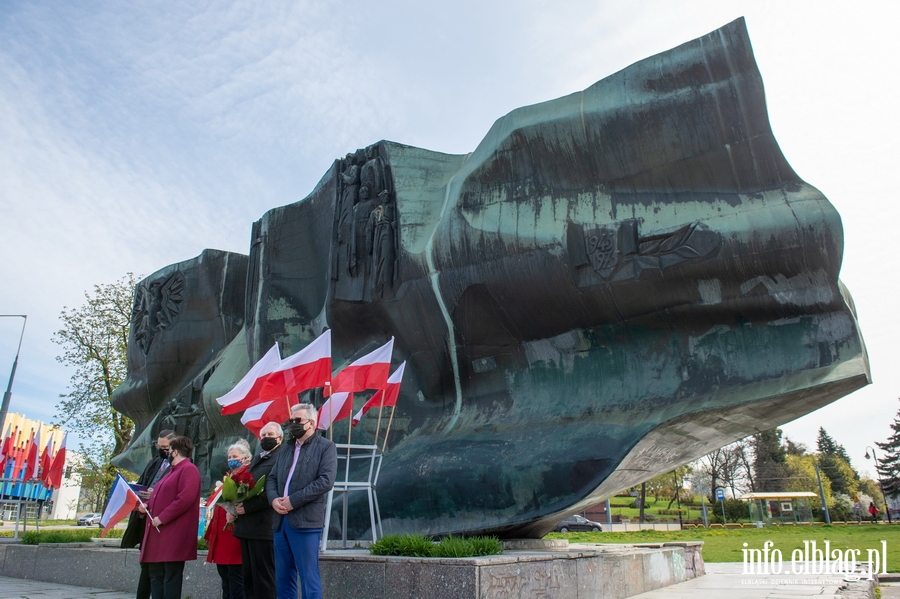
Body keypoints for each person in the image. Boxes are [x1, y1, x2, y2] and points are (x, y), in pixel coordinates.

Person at [265, 404, 336, 599]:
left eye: (298, 421)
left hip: (305, 522)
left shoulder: (326, 447)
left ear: (311, 423)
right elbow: (271, 479)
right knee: (283, 578)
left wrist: (293, 501)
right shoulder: (286, 448)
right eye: (291, 421)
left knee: (308, 577)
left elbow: (325, 481)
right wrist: (273, 500)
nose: (292, 425)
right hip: (281, 522)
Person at [139, 435, 201, 599]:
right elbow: (159, 496)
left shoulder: (188, 469)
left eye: (169, 449)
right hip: (159, 534)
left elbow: (185, 498)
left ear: (175, 452)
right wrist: (145, 507)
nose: (166, 452)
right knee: (156, 575)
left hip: (172, 533)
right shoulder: (171, 471)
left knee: (170, 576)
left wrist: (163, 517)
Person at [233, 422, 284, 599]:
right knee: (249, 579)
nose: (266, 438)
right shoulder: (258, 458)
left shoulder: (281, 459)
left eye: (270, 434)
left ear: (280, 438)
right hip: (247, 527)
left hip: (263, 527)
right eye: (263, 435)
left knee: (264, 579)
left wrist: (247, 507)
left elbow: (271, 490)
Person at [122, 430, 175, 599]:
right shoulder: (154, 462)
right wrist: (138, 500)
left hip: (161, 521)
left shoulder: (179, 466)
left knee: (157, 568)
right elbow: (140, 485)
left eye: (165, 447)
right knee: (146, 565)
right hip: (145, 518)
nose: (162, 450)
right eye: (159, 446)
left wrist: (157, 495)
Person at [205, 439, 251, 599]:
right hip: (222, 534)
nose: (231, 459)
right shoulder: (228, 477)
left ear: (245, 458)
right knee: (225, 579)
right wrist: (209, 534)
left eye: (235, 456)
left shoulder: (246, 477)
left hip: (234, 535)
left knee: (235, 578)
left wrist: (235, 512)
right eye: (229, 457)